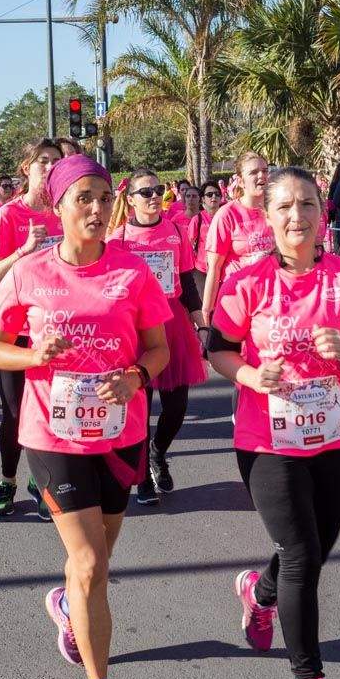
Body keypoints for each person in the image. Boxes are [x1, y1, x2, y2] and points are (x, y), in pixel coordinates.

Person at [0, 154, 171, 679]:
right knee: (87, 562)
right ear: (58, 205)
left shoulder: (131, 271)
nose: (95, 207)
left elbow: (158, 349)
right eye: (83, 197)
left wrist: (137, 376)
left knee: (98, 561)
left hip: (120, 433)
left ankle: (67, 606)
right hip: (51, 434)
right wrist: (34, 354)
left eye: (104, 198)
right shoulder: (29, 271)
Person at [208, 166, 340, 679]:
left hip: (331, 436)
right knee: (301, 553)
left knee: (315, 547)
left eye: (307, 203)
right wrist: (248, 374)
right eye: (285, 206)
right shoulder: (248, 283)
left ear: (322, 211)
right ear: (267, 216)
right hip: (267, 440)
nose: (297, 215)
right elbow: (217, 348)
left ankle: (259, 593)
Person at [107, 169, 207, 505]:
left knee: (177, 407)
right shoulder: (118, 239)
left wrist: (200, 322)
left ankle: (157, 452)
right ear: (131, 199)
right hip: (134, 329)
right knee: (140, 407)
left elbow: (187, 282)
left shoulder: (176, 230)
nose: (153, 197)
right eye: (145, 192)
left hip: (173, 322)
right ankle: (142, 481)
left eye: (158, 190)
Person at [0, 139, 65, 519]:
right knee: (15, 412)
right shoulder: (8, 216)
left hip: (55, 330)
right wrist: (24, 251)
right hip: (13, 333)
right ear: (26, 168)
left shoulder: (67, 212)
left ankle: (41, 482)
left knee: (51, 409)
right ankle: (8, 480)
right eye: (42, 161)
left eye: (55, 161)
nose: (48, 167)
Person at [202, 153, 273, 325]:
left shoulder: (277, 210)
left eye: (264, 170)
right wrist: (206, 313)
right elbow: (214, 268)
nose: (261, 175)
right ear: (240, 181)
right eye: (254, 172)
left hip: (273, 300)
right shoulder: (227, 214)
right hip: (238, 300)